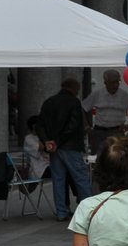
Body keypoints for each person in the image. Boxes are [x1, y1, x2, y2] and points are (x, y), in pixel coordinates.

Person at [39, 77, 92, 220]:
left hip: (53, 148)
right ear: (74, 88)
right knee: (80, 177)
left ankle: (61, 211)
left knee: (58, 179)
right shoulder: (74, 102)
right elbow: (73, 126)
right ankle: (89, 211)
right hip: (70, 146)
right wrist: (58, 141)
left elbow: (40, 124)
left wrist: (47, 141)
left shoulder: (48, 102)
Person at [83, 68, 128, 156]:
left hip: (117, 132)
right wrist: (86, 127)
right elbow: (82, 108)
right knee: (98, 158)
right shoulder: (97, 94)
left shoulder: (125, 96)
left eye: (117, 82)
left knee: (118, 157)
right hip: (99, 133)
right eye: (112, 82)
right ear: (105, 82)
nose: (115, 85)